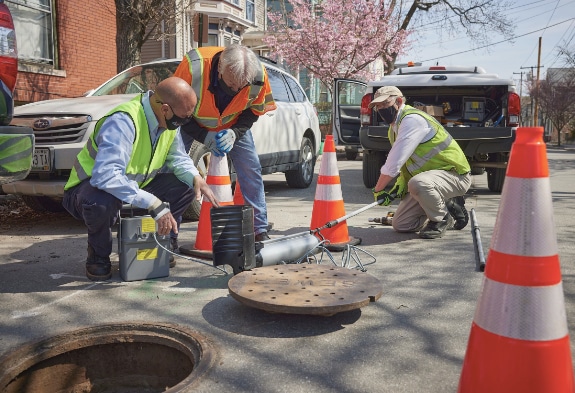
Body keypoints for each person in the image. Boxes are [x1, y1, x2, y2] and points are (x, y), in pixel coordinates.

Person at [62, 77, 220, 281]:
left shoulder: (169, 122)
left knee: (185, 187)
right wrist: (153, 203)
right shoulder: (124, 121)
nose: (184, 122)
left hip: (134, 186)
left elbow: (178, 157)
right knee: (101, 203)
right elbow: (105, 176)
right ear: (165, 109)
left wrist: (195, 177)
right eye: (182, 118)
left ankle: (164, 241)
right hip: (90, 189)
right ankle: (98, 255)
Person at [174, 44, 277, 242]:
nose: (235, 90)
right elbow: (176, 113)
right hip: (190, 121)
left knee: (251, 170)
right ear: (220, 67)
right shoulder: (193, 67)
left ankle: (259, 230)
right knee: (175, 168)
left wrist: (235, 133)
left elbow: (253, 110)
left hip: (233, 123)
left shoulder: (257, 76)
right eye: (230, 85)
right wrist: (204, 136)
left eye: (241, 87)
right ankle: (169, 232)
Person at [369, 86, 471, 239]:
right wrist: (401, 185)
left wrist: (378, 190)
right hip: (429, 181)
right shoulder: (393, 128)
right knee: (401, 224)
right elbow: (405, 163)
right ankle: (445, 204)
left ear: (398, 101)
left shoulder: (412, 120)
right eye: (378, 106)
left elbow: (393, 163)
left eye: (385, 104)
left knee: (418, 184)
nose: (381, 109)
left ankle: (441, 219)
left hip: (455, 176)